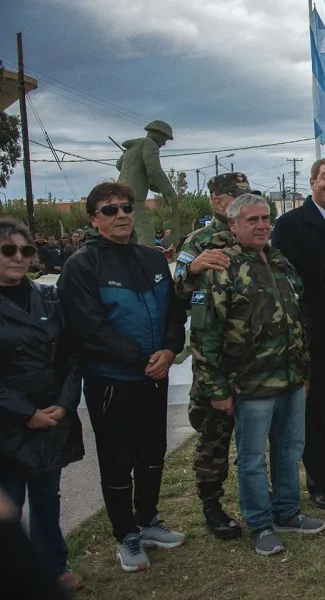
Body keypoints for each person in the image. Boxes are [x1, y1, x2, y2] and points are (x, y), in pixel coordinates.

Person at [58, 182, 187, 572]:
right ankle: (125, 535)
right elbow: (89, 329)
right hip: (113, 380)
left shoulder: (151, 258)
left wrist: (169, 350)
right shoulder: (82, 264)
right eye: (109, 210)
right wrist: (145, 359)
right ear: (94, 219)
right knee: (118, 460)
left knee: (152, 454)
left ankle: (147, 520)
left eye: (126, 207)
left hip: (155, 374)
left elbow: (173, 313)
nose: (121, 215)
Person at [190, 193, 325, 556]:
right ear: (233, 226)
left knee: (289, 449)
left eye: (266, 218)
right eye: (252, 220)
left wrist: (305, 372)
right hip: (250, 385)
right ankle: (260, 524)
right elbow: (205, 335)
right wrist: (217, 388)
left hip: (291, 380)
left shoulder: (282, 263)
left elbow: (302, 322)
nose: (262, 225)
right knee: (252, 459)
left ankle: (286, 511)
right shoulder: (223, 267)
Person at [0, 219, 85, 593]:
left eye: (25, 250)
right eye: (8, 250)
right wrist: (25, 414)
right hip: (8, 423)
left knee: (48, 500)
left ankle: (54, 566)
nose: (18, 257)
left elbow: (70, 355)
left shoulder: (47, 296)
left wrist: (64, 405)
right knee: (10, 506)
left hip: (51, 417)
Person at [271, 158, 325, 511]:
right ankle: (320, 481)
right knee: (316, 410)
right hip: (313, 333)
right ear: (312, 182)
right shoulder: (291, 225)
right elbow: (283, 283)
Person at [173, 172, 250, 541]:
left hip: (254, 356)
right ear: (217, 201)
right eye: (236, 195)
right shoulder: (199, 241)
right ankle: (212, 505)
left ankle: (255, 497)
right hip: (215, 354)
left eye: (248, 194)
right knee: (215, 436)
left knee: (254, 435)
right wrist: (193, 268)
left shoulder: (254, 234)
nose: (243, 199)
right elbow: (175, 291)